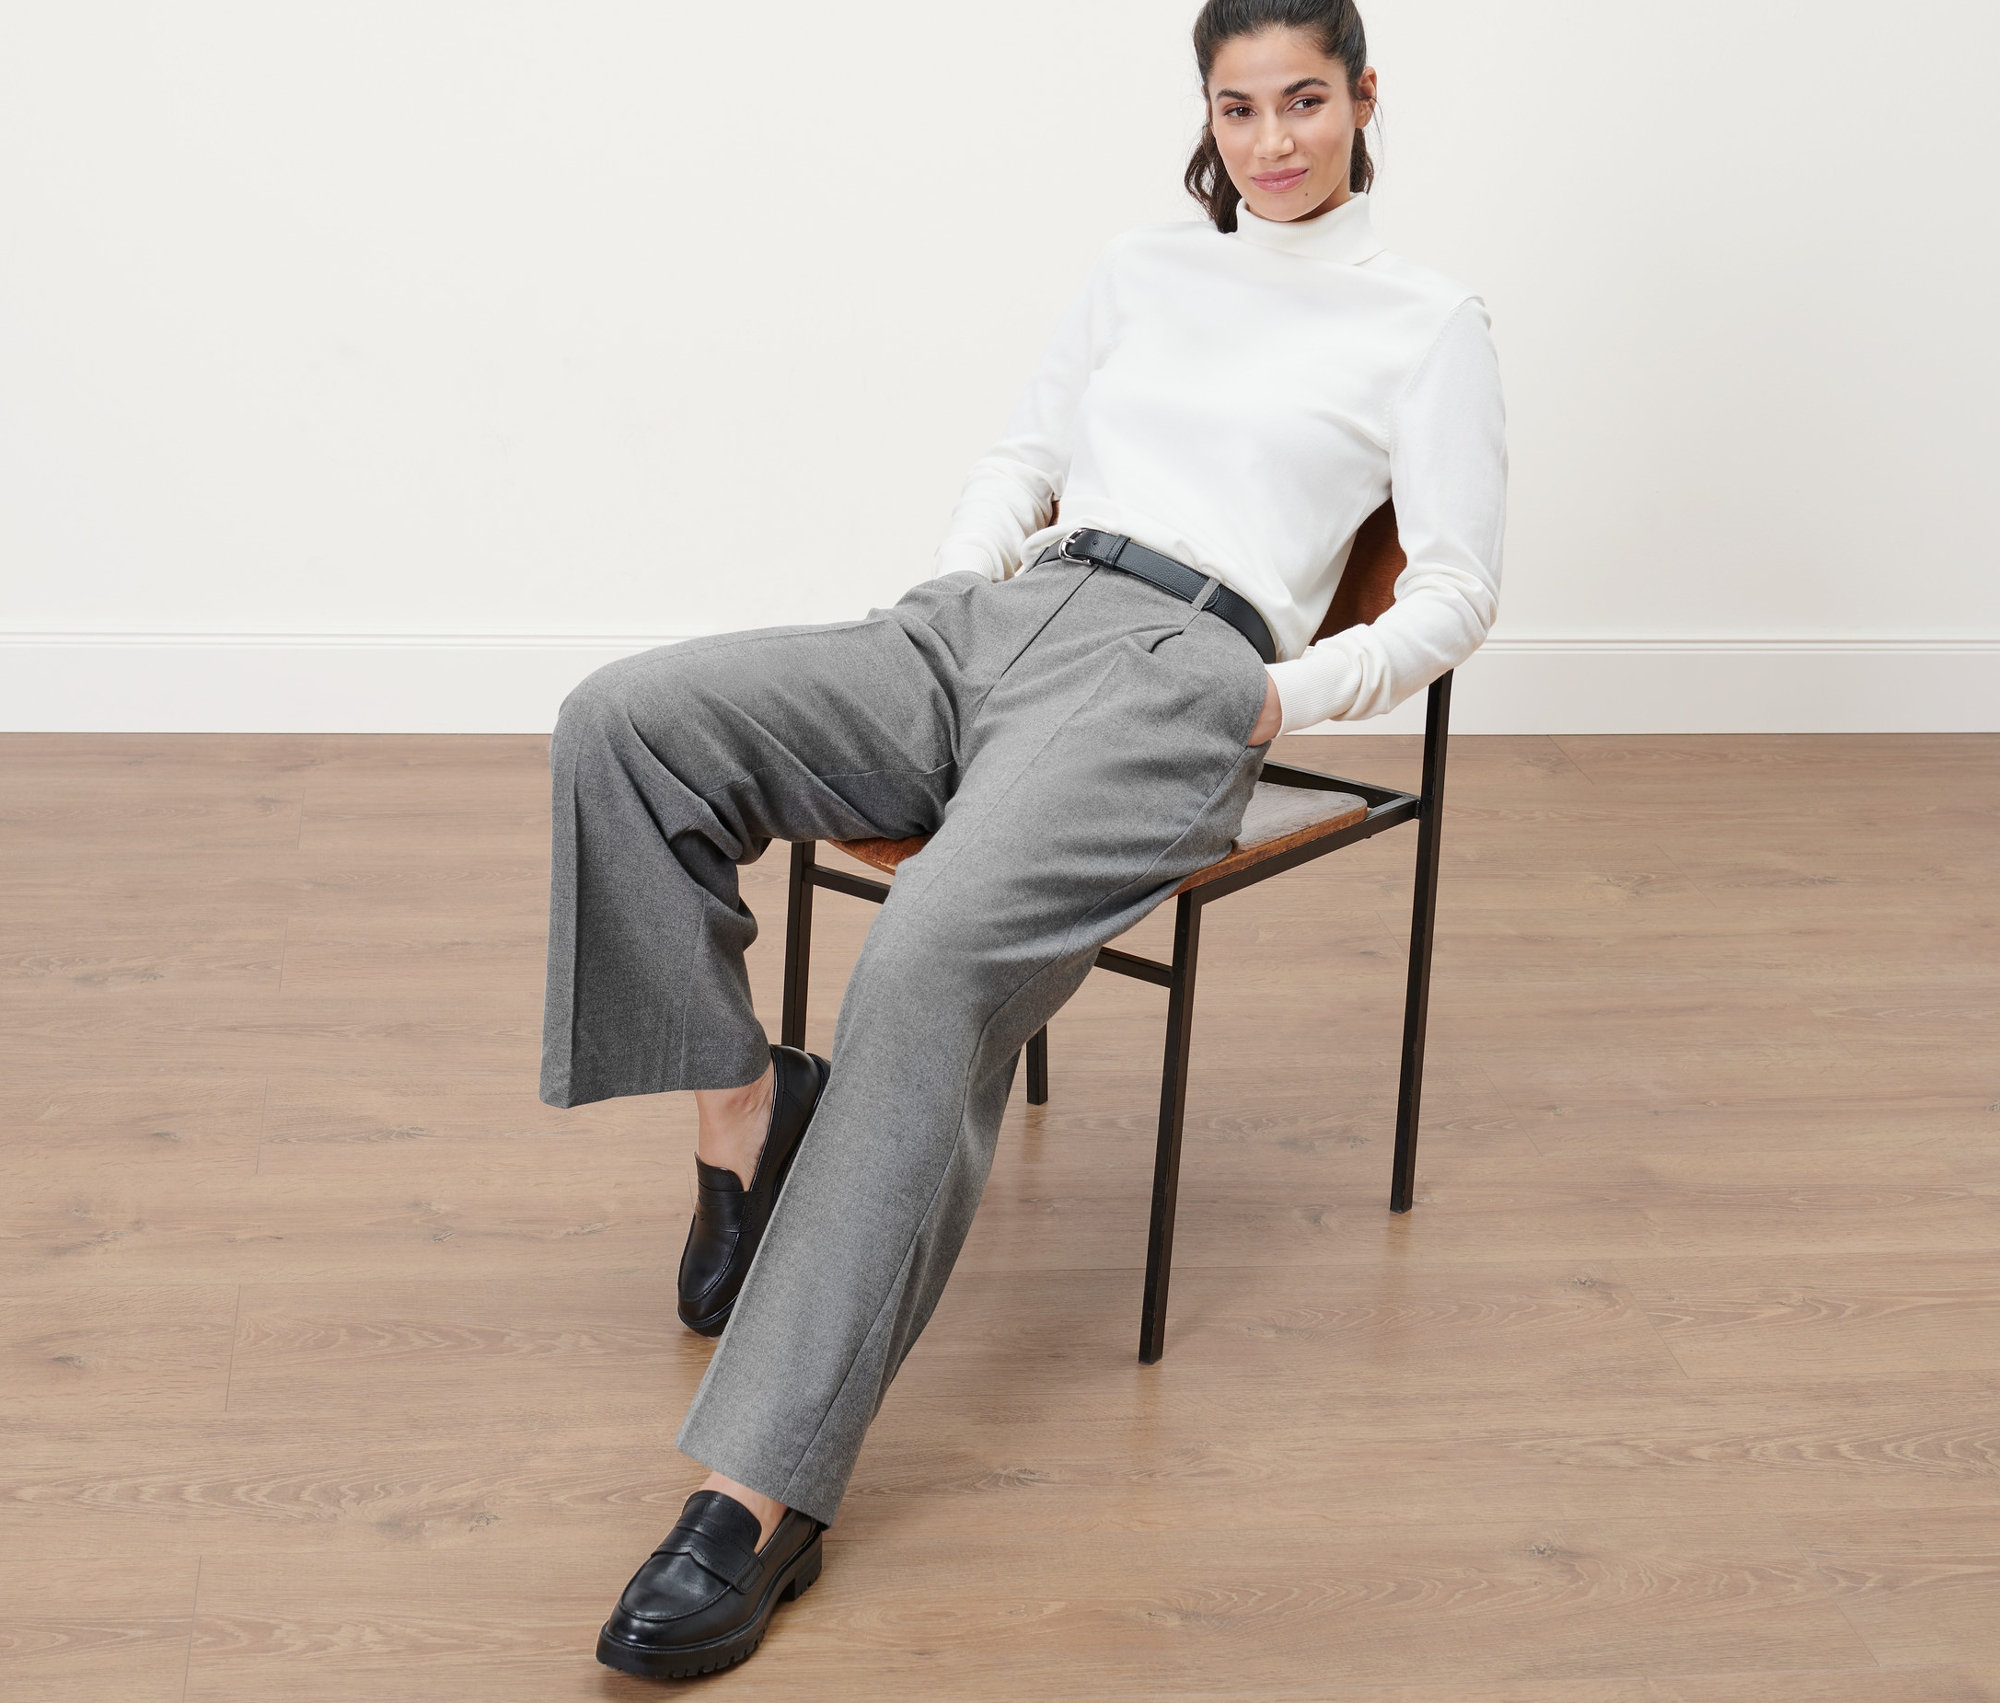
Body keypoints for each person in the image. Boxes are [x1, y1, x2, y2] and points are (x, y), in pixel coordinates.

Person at [541, 0, 1506, 1679]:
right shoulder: (1140, 268)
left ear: (1363, 100)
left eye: (1304, 102)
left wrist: (1279, 696)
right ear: (1204, 113)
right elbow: (1029, 455)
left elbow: (1458, 593)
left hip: (1180, 678)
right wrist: (954, 586)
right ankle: (751, 1114)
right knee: (626, 719)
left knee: (921, 964)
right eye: (1239, 106)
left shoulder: (1425, 321)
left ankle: (759, 1497)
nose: (1274, 142)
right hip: (998, 621)